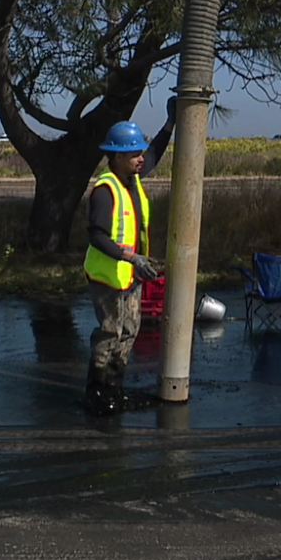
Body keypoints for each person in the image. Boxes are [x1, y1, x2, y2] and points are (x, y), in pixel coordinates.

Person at [82, 99, 176, 415]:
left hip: (129, 277)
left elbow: (154, 155)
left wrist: (169, 124)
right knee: (110, 333)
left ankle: (114, 388)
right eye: (134, 153)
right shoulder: (106, 190)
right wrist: (132, 257)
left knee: (129, 331)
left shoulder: (131, 178)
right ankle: (96, 393)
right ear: (118, 156)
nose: (141, 158)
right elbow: (96, 236)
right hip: (108, 276)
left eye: (140, 152)